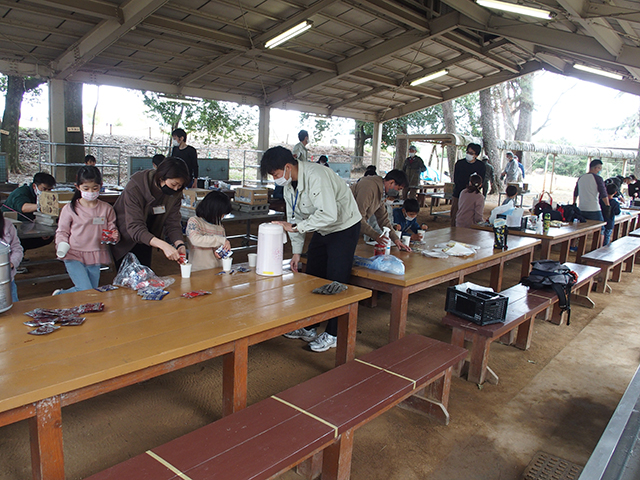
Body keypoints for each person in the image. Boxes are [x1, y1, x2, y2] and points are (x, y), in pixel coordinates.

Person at [260, 146, 361, 353]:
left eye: (277, 174)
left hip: (343, 227)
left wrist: (296, 227)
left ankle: (333, 333)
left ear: (288, 167)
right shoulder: (290, 186)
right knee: (313, 276)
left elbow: (328, 215)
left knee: (335, 280)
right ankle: (311, 326)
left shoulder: (317, 176)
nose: (276, 179)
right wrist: (296, 251)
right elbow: (294, 219)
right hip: (321, 229)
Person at [111, 157, 190, 268]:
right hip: (125, 238)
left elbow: (173, 222)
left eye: (180, 186)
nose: (176, 189)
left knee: (144, 276)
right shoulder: (136, 187)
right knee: (127, 279)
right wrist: (164, 245)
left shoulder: (175, 193)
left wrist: (179, 243)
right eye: (173, 184)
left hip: (148, 238)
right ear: (162, 177)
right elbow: (134, 227)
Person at [53, 166, 119, 295]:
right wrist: (61, 243)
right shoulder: (70, 208)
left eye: (95, 188)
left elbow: (111, 228)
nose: (91, 192)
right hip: (73, 253)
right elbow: (62, 231)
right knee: (86, 290)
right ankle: (61, 296)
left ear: (101, 186)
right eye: (86, 188)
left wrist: (114, 235)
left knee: (91, 291)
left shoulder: (106, 209)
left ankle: (61, 295)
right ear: (77, 187)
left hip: (95, 253)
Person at [351, 169, 411, 252]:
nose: (398, 192)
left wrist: (395, 239)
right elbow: (358, 218)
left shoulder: (380, 192)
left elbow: (383, 219)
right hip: (340, 224)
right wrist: (375, 236)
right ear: (391, 183)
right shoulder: (369, 188)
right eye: (399, 189)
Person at [1, 172, 56, 251]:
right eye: (44, 189)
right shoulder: (21, 193)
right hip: (9, 227)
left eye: (49, 189)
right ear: (34, 186)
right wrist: (41, 206)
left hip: (29, 224)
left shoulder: (41, 196)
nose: (47, 192)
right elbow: (23, 207)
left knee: (47, 238)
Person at [186, 191, 232, 272]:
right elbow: (195, 240)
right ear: (213, 210)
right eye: (221, 214)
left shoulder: (219, 227)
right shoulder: (194, 222)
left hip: (217, 269)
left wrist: (220, 252)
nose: (222, 217)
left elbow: (216, 245)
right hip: (198, 271)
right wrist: (221, 240)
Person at [450, 143, 485, 227]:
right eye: (467, 152)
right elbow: (456, 179)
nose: (468, 154)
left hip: (473, 194)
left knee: (471, 214)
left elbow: (481, 180)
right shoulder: (459, 163)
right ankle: (453, 232)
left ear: (476, 155)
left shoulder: (481, 166)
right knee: (455, 214)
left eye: (471, 153)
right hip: (458, 193)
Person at [0, 212, 23, 302]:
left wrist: (11, 264)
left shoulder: (7, 225)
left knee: (13, 312)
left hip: (6, 280)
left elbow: (17, 249)